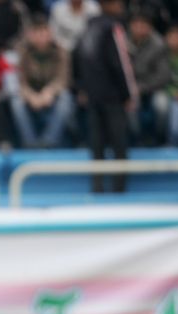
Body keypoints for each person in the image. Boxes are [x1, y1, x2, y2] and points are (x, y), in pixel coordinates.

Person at [74, 0, 137, 193]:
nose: (121, 6)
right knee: (119, 142)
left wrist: (82, 87)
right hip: (113, 95)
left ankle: (97, 186)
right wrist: (128, 94)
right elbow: (121, 63)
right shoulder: (113, 27)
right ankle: (119, 188)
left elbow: (78, 57)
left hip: (93, 94)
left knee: (97, 143)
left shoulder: (89, 25)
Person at [10, 16, 72, 148]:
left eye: (44, 33)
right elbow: (20, 81)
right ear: (30, 35)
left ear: (50, 34)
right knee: (16, 101)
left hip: (51, 94)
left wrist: (49, 91)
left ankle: (48, 142)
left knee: (66, 98)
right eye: (36, 33)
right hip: (31, 94)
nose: (40, 38)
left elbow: (63, 79)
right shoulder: (22, 52)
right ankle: (30, 143)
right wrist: (31, 96)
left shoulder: (61, 51)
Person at [127, 11, 170, 146]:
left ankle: (159, 137)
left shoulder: (159, 44)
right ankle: (136, 139)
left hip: (154, 87)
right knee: (129, 105)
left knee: (162, 106)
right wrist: (131, 87)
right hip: (130, 87)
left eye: (144, 24)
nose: (140, 28)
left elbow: (163, 75)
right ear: (131, 26)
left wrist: (142, 87)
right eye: (136, 24)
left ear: (150, 27)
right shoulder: (123, 41)